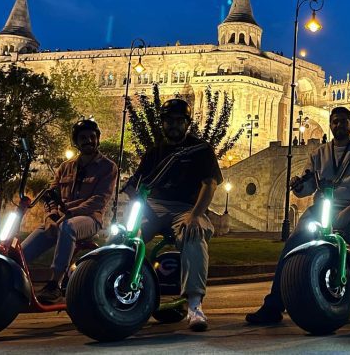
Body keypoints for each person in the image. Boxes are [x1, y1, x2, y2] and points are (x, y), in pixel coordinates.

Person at [246, 106, 350, 325]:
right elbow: (308, 185)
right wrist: (297, 186)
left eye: (343, 121)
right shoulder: (318, 154)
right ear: (330, 125)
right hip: (322, 208)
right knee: (292, 243)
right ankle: (273, 305)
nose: (339, 125)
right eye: (335, 121)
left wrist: (349, 212)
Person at [124, 99, 223, 332]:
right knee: (126, 236)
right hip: (154, 206)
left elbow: (209, 185)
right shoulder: (154, 152)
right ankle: (120, 288)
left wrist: (196, 215)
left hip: (186, 208)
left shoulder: (201, 150)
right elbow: (135, 184)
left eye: (179, 121)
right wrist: (133, 203)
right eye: (169, 121)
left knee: (193, 234)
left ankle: (195, 304)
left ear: (187, 124)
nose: (174, 126)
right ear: (163, 123)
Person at [21, 118, 117, 304]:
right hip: (58, 219)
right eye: (83, 137)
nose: (88, 140)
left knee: (69, 227)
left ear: (98, 138)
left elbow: (98, 201)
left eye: (92, 136)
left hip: (89, 219)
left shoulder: (108, 167)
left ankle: (54, 284)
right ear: (76, 141)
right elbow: (50, 194)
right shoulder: (65, 167)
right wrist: (50, 217)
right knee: (22, 251)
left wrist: (66, 214)